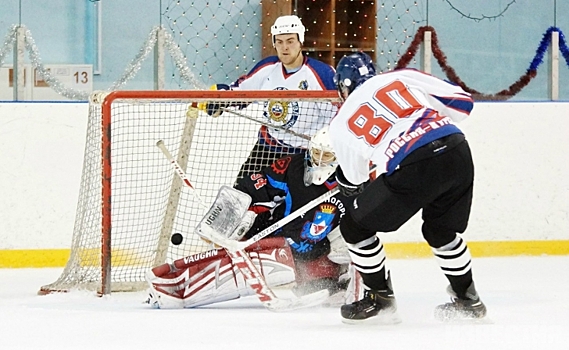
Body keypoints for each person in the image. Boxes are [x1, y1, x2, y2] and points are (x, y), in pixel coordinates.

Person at [328, 52, 487, 323]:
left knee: (355, 228)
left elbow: (354, 181)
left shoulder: (340, 123)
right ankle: (469, 301)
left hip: (415, 163)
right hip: (456, 148)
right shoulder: (398, 76)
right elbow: (462, 104)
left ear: (343, 86)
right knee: (440, 230)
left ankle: (380, 298)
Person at [145, 127, 360, 309]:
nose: (319, 161)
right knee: (235, 259)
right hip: (275, 236)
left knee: (328, 270)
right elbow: (258, 184)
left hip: (311, 258)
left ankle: (180, 291)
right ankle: (171, 281)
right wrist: (238, 214)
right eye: (316, 154)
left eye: (327, 156)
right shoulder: (294, 166)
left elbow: (362, 228)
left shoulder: (352, 186)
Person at [200, 15, 337, 179]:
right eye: (279, 42)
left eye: (290, 41)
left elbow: (339, 114)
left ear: (301, 41)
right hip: (267, 148)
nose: (285, 47)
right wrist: (219, 99)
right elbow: (241, 92)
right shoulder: (267, 68)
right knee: (239, 194)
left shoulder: (321, 73)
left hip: (305, 153)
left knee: (296, 202)